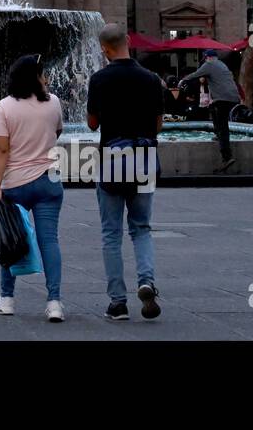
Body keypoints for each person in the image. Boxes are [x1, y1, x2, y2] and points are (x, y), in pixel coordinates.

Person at [87, 23, 163, 322]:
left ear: (104, 49)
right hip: (143, 159)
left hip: (113, 160)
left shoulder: (99, 79)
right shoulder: (150, 79)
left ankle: (118, 303)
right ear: (128, 42)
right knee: (141, 228)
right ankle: (146, 281)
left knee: (111, 233)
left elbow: (93, 124)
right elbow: (158, 125)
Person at [0, 54, 66, 322]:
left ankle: (7, 299)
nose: (46, 77)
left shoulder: (5, 106)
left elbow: (1, 148)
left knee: (10, 240)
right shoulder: (54, 102)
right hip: (49, 181)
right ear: (35, 77)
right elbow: (57, 132)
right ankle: (54, 302)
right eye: (42, 73)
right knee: (50, 242)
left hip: (16, 183)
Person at [178, 49, 239, 171]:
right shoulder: (222, 64)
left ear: (208, 58)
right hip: (233, 97)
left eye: (204, 59)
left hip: (222, 99)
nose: (204, 61)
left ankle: (227, 156)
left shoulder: (209, 65)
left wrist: (183, 80)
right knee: (213, 109)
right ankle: (217, 134)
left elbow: (196, 74)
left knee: (223, 125)